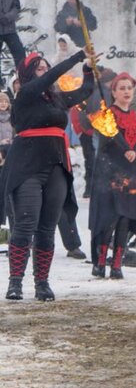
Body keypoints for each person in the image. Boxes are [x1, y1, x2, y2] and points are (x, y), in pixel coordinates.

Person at [5, 48, 93, 301]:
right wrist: (76, 57)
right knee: (25, 222)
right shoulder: (25, 94)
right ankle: (15, 282)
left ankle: (42, 283)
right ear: (28, 73)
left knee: (47, 227)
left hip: (55, 164)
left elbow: (85, 91)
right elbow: (48, 78)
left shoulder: (55, 99)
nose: (45, 71)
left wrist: (88, 69)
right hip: (27, 165)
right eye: (39, 67)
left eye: (45, 67)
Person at [87, 73, 136, 279]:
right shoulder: (108, 115)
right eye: (121, 88)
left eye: (129, 88)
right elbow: (107, 142)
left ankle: (117, 264)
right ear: (113, 92)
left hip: (129, 173)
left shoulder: (134, 115)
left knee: (125, 218)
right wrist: (123, 151)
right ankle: (101, 262)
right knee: (109, 218)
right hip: (110, 173)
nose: (126, 92)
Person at [0, 0, 26, 72]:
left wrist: (7, 17)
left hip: (10, 29)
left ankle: (22, 75)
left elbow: (16, 8)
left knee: (19, 52)